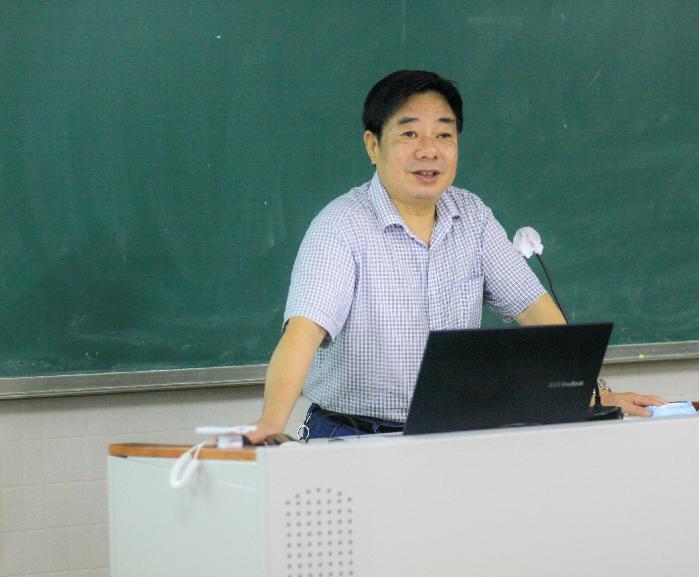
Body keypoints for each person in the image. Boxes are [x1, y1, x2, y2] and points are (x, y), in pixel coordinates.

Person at [248, 70, 664, 444]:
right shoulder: (341, 225)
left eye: (444, 135)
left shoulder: (472, 216)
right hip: (352, 437)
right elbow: (303, 333)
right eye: (410, 134)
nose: (429, 151)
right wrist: (270, 425)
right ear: (373, 146)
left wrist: (593, 394)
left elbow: (536, 313)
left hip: (451, 435)